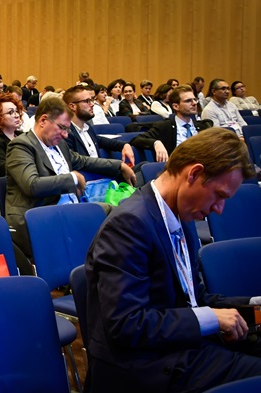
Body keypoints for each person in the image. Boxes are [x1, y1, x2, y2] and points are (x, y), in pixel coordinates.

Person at [85, 127, 261, 393]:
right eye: (220, 195)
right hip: (147, 366)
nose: (219, 209)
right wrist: (212, 318)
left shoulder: (180, 212)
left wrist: (253, 306)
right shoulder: (129, 225)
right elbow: (126, 324)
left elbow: (194, 297)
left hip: (181, 345)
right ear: (194, 173)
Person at [5, 97, 136, 260]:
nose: (66, 135)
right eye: (61, 128)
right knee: (110, 218)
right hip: (41, 216)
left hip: (69, 211)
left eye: (67, 129)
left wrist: (119, 165)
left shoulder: (59, 144)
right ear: (43, 120)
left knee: (123, 213)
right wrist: (72, 178)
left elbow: (83, 160)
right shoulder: (21, 146)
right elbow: (32, 185)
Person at [131, 85, 214, 162]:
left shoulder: (202, 127)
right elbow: (136, 140)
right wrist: (156, 143)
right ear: (176, 106)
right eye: (188, 101)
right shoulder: (165, 127)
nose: (194, 103)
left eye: (194, 99)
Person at [63, 85, 135, 165]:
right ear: (73, 106)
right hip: (91, 176)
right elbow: (79, 163)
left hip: (103, 173)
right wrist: (117, 166)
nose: (92, 104)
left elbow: (99, 140)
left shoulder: (87, 127)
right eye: (87, 101)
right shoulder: (66, 133)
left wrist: (124, 145)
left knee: (142, 167)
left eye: (92, 100)